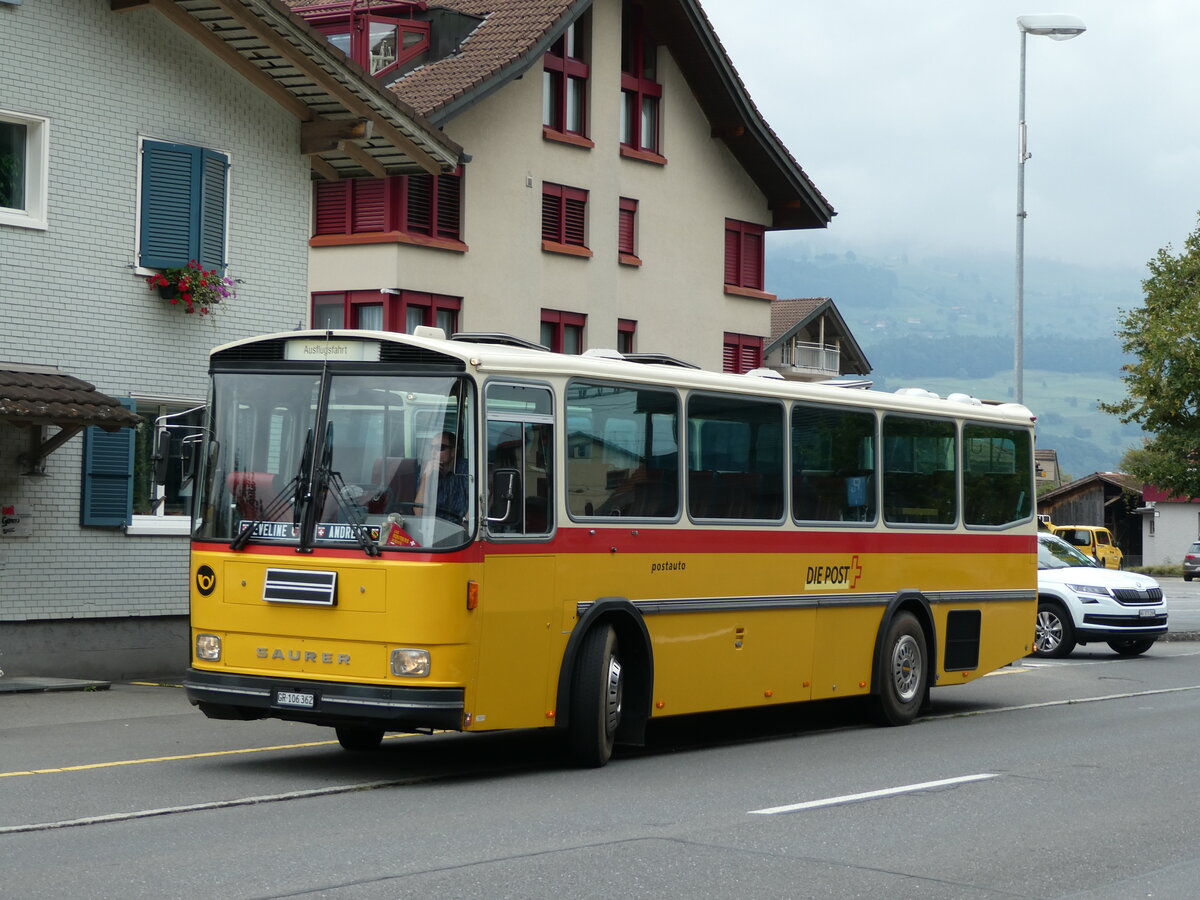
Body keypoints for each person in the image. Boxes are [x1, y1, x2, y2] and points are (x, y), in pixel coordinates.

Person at [414, 430, 469, 523]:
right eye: (431, 447)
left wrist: (466, 524)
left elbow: (477, 504)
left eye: (439, 447)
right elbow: (419, 513)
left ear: (453, 451)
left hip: (460, 527)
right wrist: (425, 478)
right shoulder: (427, 470)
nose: (433, 452)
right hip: (434, 527)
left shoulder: (466, 469)